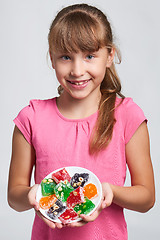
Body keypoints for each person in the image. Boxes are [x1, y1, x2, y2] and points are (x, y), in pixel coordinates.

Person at [8, 3, 155, 240]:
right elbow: (14, 196)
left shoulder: (128, 115)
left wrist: (109, 192)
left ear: (109, 56)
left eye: (89, 56)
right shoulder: (31, 118)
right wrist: (32, 195)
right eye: (66, 56)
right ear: (52, 59)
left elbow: (147, 197)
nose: (77, 70)